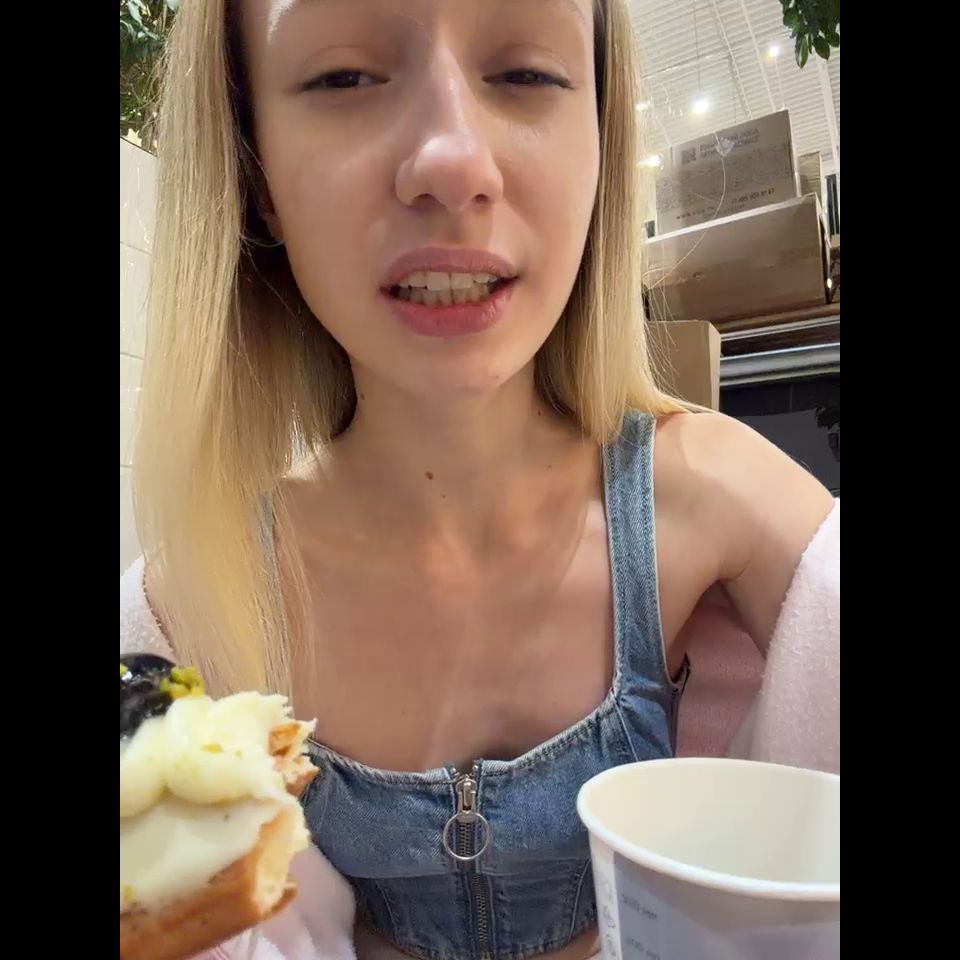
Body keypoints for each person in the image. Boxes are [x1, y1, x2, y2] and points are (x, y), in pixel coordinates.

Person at [121, 1, 839, 957]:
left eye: (527, 72)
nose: (454, 161)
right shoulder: (191, 608)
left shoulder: (721, 498)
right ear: (256, 177)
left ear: (600, 144)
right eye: (343, 77)